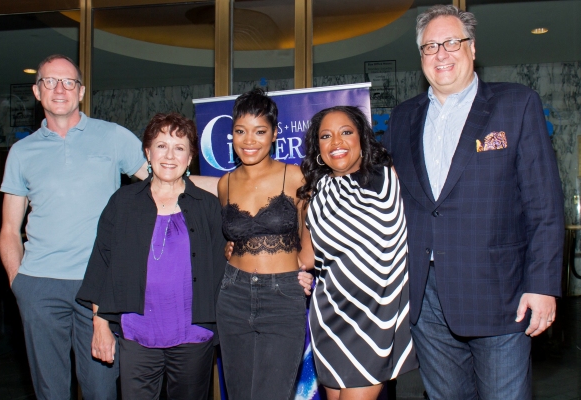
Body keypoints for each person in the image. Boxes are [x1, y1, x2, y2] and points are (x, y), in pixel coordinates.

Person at [382, 5, 564, 399]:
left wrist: (544, 285)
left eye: (451, 42)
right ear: (421, 57)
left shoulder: (516, 104)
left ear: (472, 48)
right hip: (425, 299)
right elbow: (381, 197)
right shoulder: (402, 119)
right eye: (430, 46)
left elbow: (545, 205)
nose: (441, 53)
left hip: (501, 294)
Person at [0, 54, 148, 399]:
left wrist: (225, 187)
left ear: (81, 91)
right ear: (38, 92)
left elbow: (163, 184)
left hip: (98, 286)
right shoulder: (22, 152)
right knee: (50, 390)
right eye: (50, 81)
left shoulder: (113, 137)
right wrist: (19, 283)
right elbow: (9, 228)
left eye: (69, 82)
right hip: (39, 285)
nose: (60, 89)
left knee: (101, 389)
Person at [76, 113, 226, 399]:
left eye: (179, 147)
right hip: (136, 334)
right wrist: (101, 325)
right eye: (161, 146)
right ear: (147, 152)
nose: (169, 155)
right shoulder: (123, 202)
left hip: (194, 334)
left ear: (190, 156)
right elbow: (101, 265)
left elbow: (227, 267)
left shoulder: (208, 206)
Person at [297, 106, 418, 400]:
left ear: (362, 138)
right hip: (330, 316)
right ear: (318, 148)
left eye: (346, 132)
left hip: (375, 317)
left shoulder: (392, 178)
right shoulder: (314, 192)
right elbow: (305, 258)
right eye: (326, 136)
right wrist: (243, 247)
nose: (336, 142)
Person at [216, 88, 311, 400]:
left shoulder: (296, 176)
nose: (249, 140)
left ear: (274, 135)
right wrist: (227, 250)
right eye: (240, 131)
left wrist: (308, 267)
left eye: (259, 132)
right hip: (233, 295)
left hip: (283, 298)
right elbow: (229, 239)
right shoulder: (224, 183)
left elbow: (313, 233)